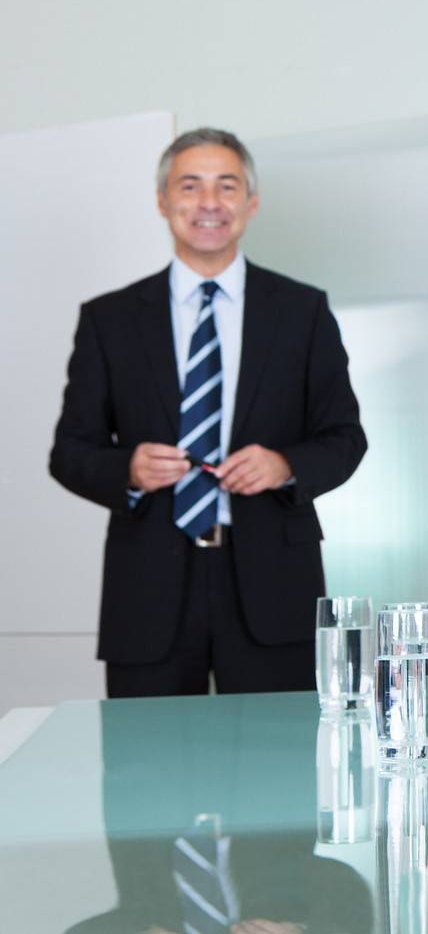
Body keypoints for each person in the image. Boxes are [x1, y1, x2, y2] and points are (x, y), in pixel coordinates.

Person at [50, 127, 367, 697]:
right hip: (148, 586)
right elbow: (70, 451)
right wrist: (128, 470)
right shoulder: (110, 319)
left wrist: (284, 465)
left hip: (274, 584)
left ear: (251, 201)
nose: (209, 204)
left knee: (279, 770)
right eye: (190, 187)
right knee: (146, 772)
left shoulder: (302, 310)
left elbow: (345, 437)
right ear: (163, 201)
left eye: (226, 186)